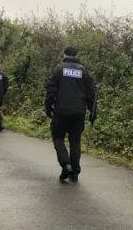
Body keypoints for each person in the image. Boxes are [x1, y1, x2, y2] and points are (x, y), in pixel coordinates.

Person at [45, 46, 97, 182]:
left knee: (58, 138)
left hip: (61, 111)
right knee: (75, 141)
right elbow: (92, 94)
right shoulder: (84, 71)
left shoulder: (58, 69)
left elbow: (50, 90)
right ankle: (75, 171)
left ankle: (65, 164)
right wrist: (93, 112)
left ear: (64, 55)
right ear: (76, 55)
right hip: (79, 112)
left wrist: (48, 107)